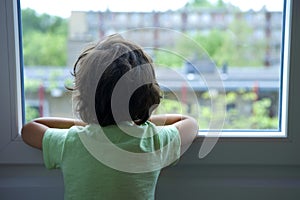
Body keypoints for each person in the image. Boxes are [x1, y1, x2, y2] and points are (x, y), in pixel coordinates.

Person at [21, 34, 198, 200]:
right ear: (146, 95)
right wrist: (139, 119)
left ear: (84, 96)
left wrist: (89, 123)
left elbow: (30, 129)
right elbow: (190, 124)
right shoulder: (151, 141)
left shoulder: (73, 141)